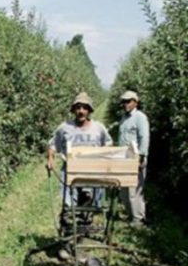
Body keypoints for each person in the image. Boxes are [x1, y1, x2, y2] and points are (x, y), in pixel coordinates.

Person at [47, 92, 112, 257]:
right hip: (70, 173)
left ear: (89, 110)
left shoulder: (99, 128)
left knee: (86, 210)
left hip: (91, 175)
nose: (81, 111)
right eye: (78, 107)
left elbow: (108, 145)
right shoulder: (65, 128)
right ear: (73, 110)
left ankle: (80, 243)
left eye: (84, 108)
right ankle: (66, 244)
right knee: (69, 209)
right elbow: (53, 144)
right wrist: (50, 159)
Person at [117, 90, 149, 226]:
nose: (126, 104)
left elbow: (144, 137)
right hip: (124, 157)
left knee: (134, 189)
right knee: (124, 189)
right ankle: (131, 215)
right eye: (124, 101)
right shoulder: (124, 118)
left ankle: (138, 218)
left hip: (135, 157)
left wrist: (141, 157)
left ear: (136, 102)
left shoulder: (140, 117)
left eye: (129, 101)